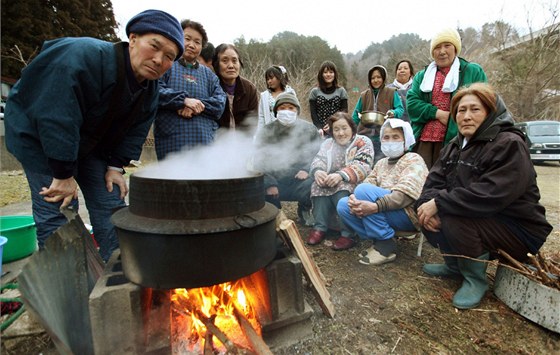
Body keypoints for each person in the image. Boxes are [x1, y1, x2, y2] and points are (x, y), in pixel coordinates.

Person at [3, 10, 185, 262]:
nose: (158, 60)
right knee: (60, 208)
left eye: (169, 57)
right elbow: (57, 116)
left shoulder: (150, 87)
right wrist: (63, 173)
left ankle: (119, 273)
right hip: (39, 136)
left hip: (89, 143)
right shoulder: (83, 57)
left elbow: (136, 129)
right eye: (154, 46)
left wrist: (115, 166)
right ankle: (68, 281)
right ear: (132, 38)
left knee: (110, 201)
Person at [415, 83, 552, 309]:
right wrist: (425, 205)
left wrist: (439, 203)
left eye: (475, 109)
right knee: (426, 209)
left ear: (491, 112)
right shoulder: (454, 145)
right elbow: (433, 181)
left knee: (452, 214)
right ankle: (454, 265)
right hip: (481, 218)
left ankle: (474, 278)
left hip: (518, 227)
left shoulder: (509, 143)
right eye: (461, 110)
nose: (466, 116)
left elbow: (490, 195)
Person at [337, 119, 428, 263]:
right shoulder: (381, 163)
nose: (390, 141)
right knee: (343, 204)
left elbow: (404, 197)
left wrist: (375, 207)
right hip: (383, 211)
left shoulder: (413, 159)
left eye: (396, 137)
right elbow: (368, 183)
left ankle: (385, 245)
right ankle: (378, 240)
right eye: (386, 137)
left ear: (406, 140)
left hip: (407, 214)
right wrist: (354, 199)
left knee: (362, 191)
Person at [407, 28, 487, 169]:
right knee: (421, 181)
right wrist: (437, 113)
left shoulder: (472, 71)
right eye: (437, 47)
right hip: (424, 141)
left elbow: (484, 103)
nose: (442, 51)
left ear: (455, 48)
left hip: (457, 139)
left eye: (447, 46)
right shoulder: (422, 76)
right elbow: (412, 104)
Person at [155, 20, 227, 159]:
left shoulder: (209, 75)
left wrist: (195, 105)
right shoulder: (165, 65)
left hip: (204, 143)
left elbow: (219, 103)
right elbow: (155, 91)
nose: (191, 45)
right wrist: (183, 101)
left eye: (197, 42)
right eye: (187, 39)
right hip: (171, 142)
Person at [306, 112, 373, 250]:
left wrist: (341, 175)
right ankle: (320, 227)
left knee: (341, 190)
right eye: (336, 129)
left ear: (352, 128)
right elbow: (319, 159)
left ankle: (348, 233)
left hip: (355, 181)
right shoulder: (328, 144)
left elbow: (363, 166)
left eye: (344, 128)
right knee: (318, 185)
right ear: (331, 131)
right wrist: (318, 171)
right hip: (331, 180)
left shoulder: (363, 142)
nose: (341, 133)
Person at [253, 92, 321, 226]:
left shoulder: (309, 129)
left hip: (299, 177)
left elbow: (318, 154)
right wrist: (270, 182)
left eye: (291, 108)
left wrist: (307, 170)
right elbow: (259, 159)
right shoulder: (267, 131)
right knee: (258, 185)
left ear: (297, 110)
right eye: (282, 108)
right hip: (276, 177)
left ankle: (305, 210)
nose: (286, 111)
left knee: (314, 182)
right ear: (276, 110)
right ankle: (275, 214)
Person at [352, 65, 404, 163]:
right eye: (373, 78)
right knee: (364, 164)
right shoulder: (364, 95)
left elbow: (400, 109)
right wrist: (351, 130)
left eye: (379, 77)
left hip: (384, 137)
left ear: (383, 78)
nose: (376, 80)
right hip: (365, 137)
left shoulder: (391, 92)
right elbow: (356, 114)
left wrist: (394, 112)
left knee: (381, 164)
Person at [212, 43, 258, 132]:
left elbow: (253, 122)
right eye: (225, 61)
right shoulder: (211, 86)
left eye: (234, 60)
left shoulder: (249, 89)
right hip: (217, 142)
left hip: (242, 143)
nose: (231, 66)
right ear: (216, 64)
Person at [308, 60, 349, 137]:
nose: (328, 74)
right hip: (319, 132)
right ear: (321, 74)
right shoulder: (314, 92)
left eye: (331, 72)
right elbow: (313, 114)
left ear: (335, 74)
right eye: (325, 72)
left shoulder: (341, 91)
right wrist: (319, 128)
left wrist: (333, 125)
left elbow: (344, 113)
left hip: (337, 130)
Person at [256, 65, 296, 134]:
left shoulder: (290, 93)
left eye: (271, 78)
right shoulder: (264, 96)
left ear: (279, 77)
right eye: (267, 79)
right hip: (270, 133)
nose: (269, 81)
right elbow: (261, 117)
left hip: (288, 131)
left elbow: (295, 112)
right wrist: (260, 134)